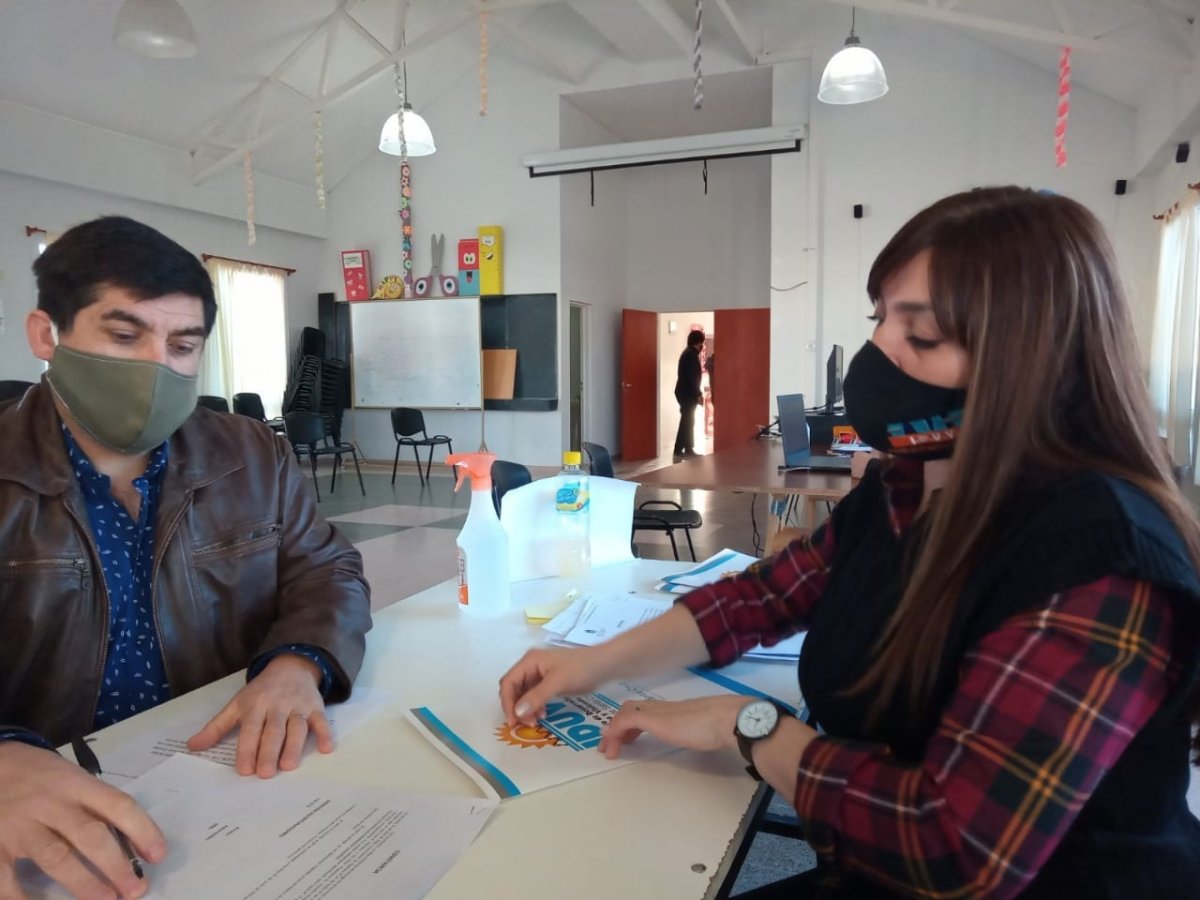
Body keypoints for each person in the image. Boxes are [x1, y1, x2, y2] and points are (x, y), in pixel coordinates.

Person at [499, 187, 1200, 898]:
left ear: (1030, 363)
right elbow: (761, 599)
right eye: (880, 320)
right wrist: (590, 663)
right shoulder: (901, 489)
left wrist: (750, 728)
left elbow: (951, 849)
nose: (878, 355)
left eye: (921, 337)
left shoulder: (1101, 561)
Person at [0, 216, 372, 899]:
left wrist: (298, 662)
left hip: (226, 771)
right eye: (124, 336)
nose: (157, 367)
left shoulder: (251, 453)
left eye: (182, 345)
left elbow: (327, 570)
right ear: (46, 335)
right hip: (48, 799)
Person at [673, 329, 705, 460]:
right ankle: (681, 449)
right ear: (697, 342)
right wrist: (698, 394)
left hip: (684, 392)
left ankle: (687, 448)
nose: (702, 345)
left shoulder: (688, 353)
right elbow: (692, 378)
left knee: (688, 420)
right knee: (687, 420)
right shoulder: (691, 355)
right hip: (687, 393)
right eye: (702, 342)